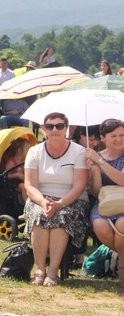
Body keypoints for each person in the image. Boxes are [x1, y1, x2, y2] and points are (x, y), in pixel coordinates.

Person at [24, 112, 88, 286]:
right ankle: (39, 270)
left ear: (66, 129)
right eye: (50, 126)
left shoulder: (78, 151)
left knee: (61, 218)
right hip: (41, 198)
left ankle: (52, 272)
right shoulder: (34, 151)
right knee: (39, 216)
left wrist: (59, 204)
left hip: (72, 200)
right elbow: (30, 185)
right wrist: (44, 202)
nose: (55, 130)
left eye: (60, 126)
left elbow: (79, 186)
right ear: (44, 130)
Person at [84, 119, 124, 284]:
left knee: (122, 224)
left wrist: (101, 163)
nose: (119, 139)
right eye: (113, 135)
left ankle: (121, 267)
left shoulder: (99, 158)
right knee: (100, 227)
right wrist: (94, 171)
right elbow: (96, 191)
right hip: (104, 203)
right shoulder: (96, 157)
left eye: (122, 135)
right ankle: (120, 258)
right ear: (103, 137)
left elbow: (122, 180)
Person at [3, 137, 31, 202]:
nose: (29, 150)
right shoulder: (12, 162)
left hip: (22, 180)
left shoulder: (23, 160)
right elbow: (6, 175)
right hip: (13, 183)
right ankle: (27, 204)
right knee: (24, 187)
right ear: (19, 151)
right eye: (27, 148)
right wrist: (17, 175)